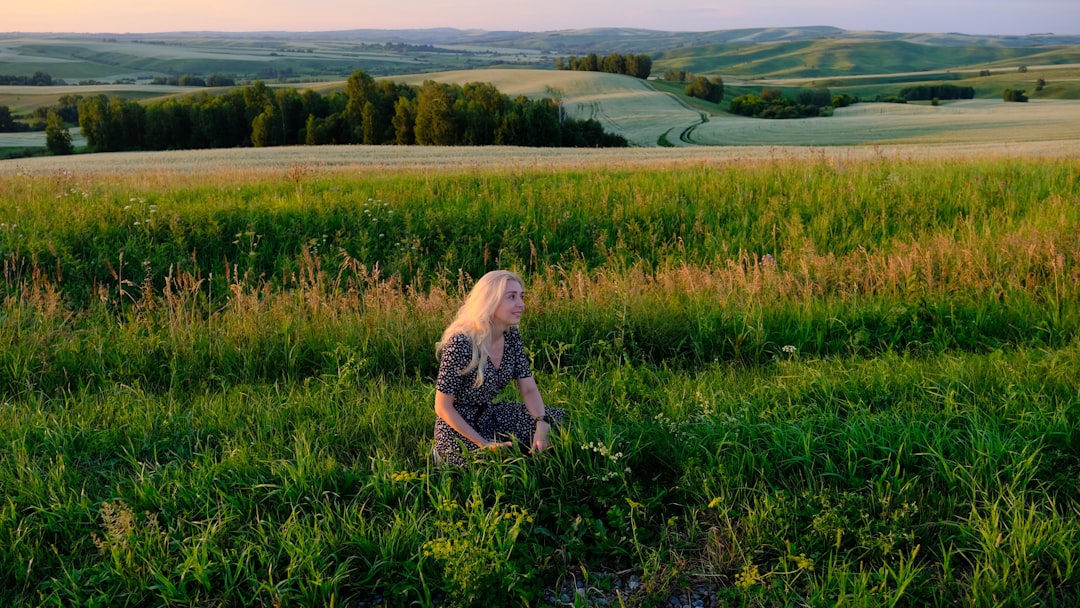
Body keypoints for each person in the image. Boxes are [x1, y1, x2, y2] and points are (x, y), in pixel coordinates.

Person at [433, 270, 566, 466]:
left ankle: (517, 446)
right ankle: (442, 455)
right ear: (490, 301)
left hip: (490, 415)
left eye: (521, 296)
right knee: (497, 463)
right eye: (511, 297)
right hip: (457, 427)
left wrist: (541, 422)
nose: (521, 304)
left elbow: (528, 389)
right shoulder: (461, 343)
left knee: (557, 420)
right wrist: (483, 443)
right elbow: (442, 407)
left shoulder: (511, 337)